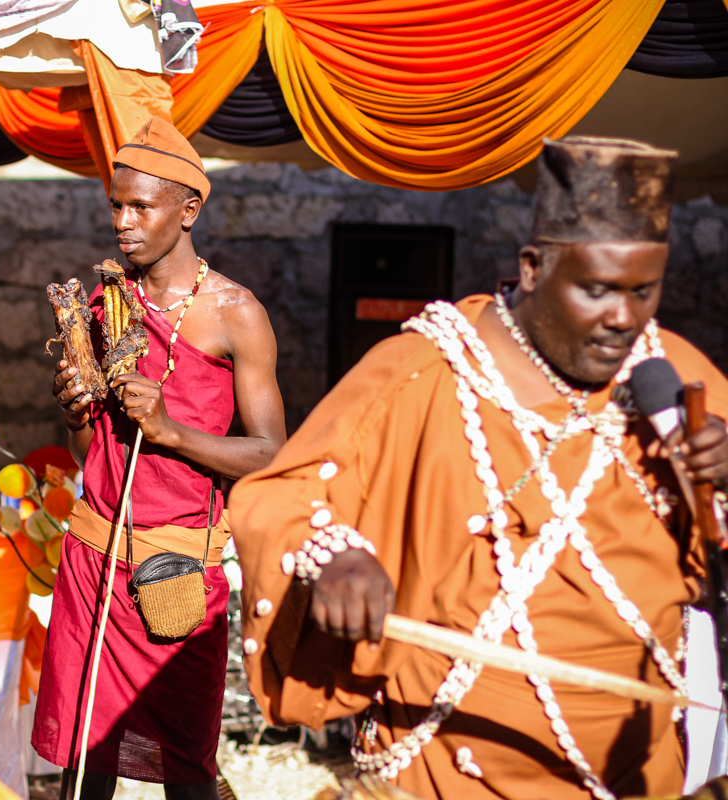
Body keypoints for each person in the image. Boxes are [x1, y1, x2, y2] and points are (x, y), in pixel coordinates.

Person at [229, 136, 728, 800]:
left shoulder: (678, 379)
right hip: (442, 768)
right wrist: (336, 554)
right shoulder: (426, 370)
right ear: (531, 267)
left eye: (644, 291)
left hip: (638, 773)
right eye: (598, 289)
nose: (623, 318)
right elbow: (284, 498)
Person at [33, 117, 287, 800]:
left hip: (175, 571)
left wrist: (172, 430)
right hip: (93, 560)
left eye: (141, 206)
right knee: (84, 766)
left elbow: (270, 454)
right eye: (116, 205)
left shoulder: (236, 313)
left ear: (189, 209)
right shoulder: (103, 303)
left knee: (189, 770)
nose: (122, 221)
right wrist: (78, 408)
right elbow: (95, 453)